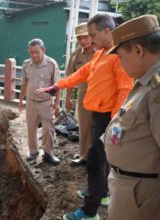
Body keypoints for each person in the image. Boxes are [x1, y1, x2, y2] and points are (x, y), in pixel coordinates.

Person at [37, 14, 134, 220]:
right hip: (99, 113)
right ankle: (103, 193)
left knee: (96, 160)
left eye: (92, 34)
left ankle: (90, 211)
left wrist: (115, 123)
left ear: (107, 31)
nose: (89, 39)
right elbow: (81, 73)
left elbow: (124, 90)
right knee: (102, 157)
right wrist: (57, 87)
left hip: (109, 116)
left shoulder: (119, 55)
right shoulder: (101, 53)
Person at [104, 14, 160, 220]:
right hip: (130, 186)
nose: (120, 63)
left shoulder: (156, 89)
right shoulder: (145, 82)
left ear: (138, 50)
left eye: (120, 56)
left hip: (142, 194)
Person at [18, 38, 60, 165]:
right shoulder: (26, 64)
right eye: (31, 52)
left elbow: (58, 85)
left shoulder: (51, 64)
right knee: (31, 128)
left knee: (48, 129)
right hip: (30, 102)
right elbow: (24, 84)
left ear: (43, 50)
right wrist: (20, 100)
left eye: (37, 52)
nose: (34, 55)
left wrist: (57, 103)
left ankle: (48, 154)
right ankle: (33, 152)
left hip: (46, 102)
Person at [66, 23, 95, 166]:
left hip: (104, 97)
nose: (83, 41)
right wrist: (67, 99)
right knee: (84, 127)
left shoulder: (103, 52)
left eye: (85, 37)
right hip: (84, 96)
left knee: (101, 128)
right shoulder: (76, 55)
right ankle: (84, 156)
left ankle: (101, 159)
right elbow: (69, 78)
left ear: (91, 36)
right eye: (79, 38)